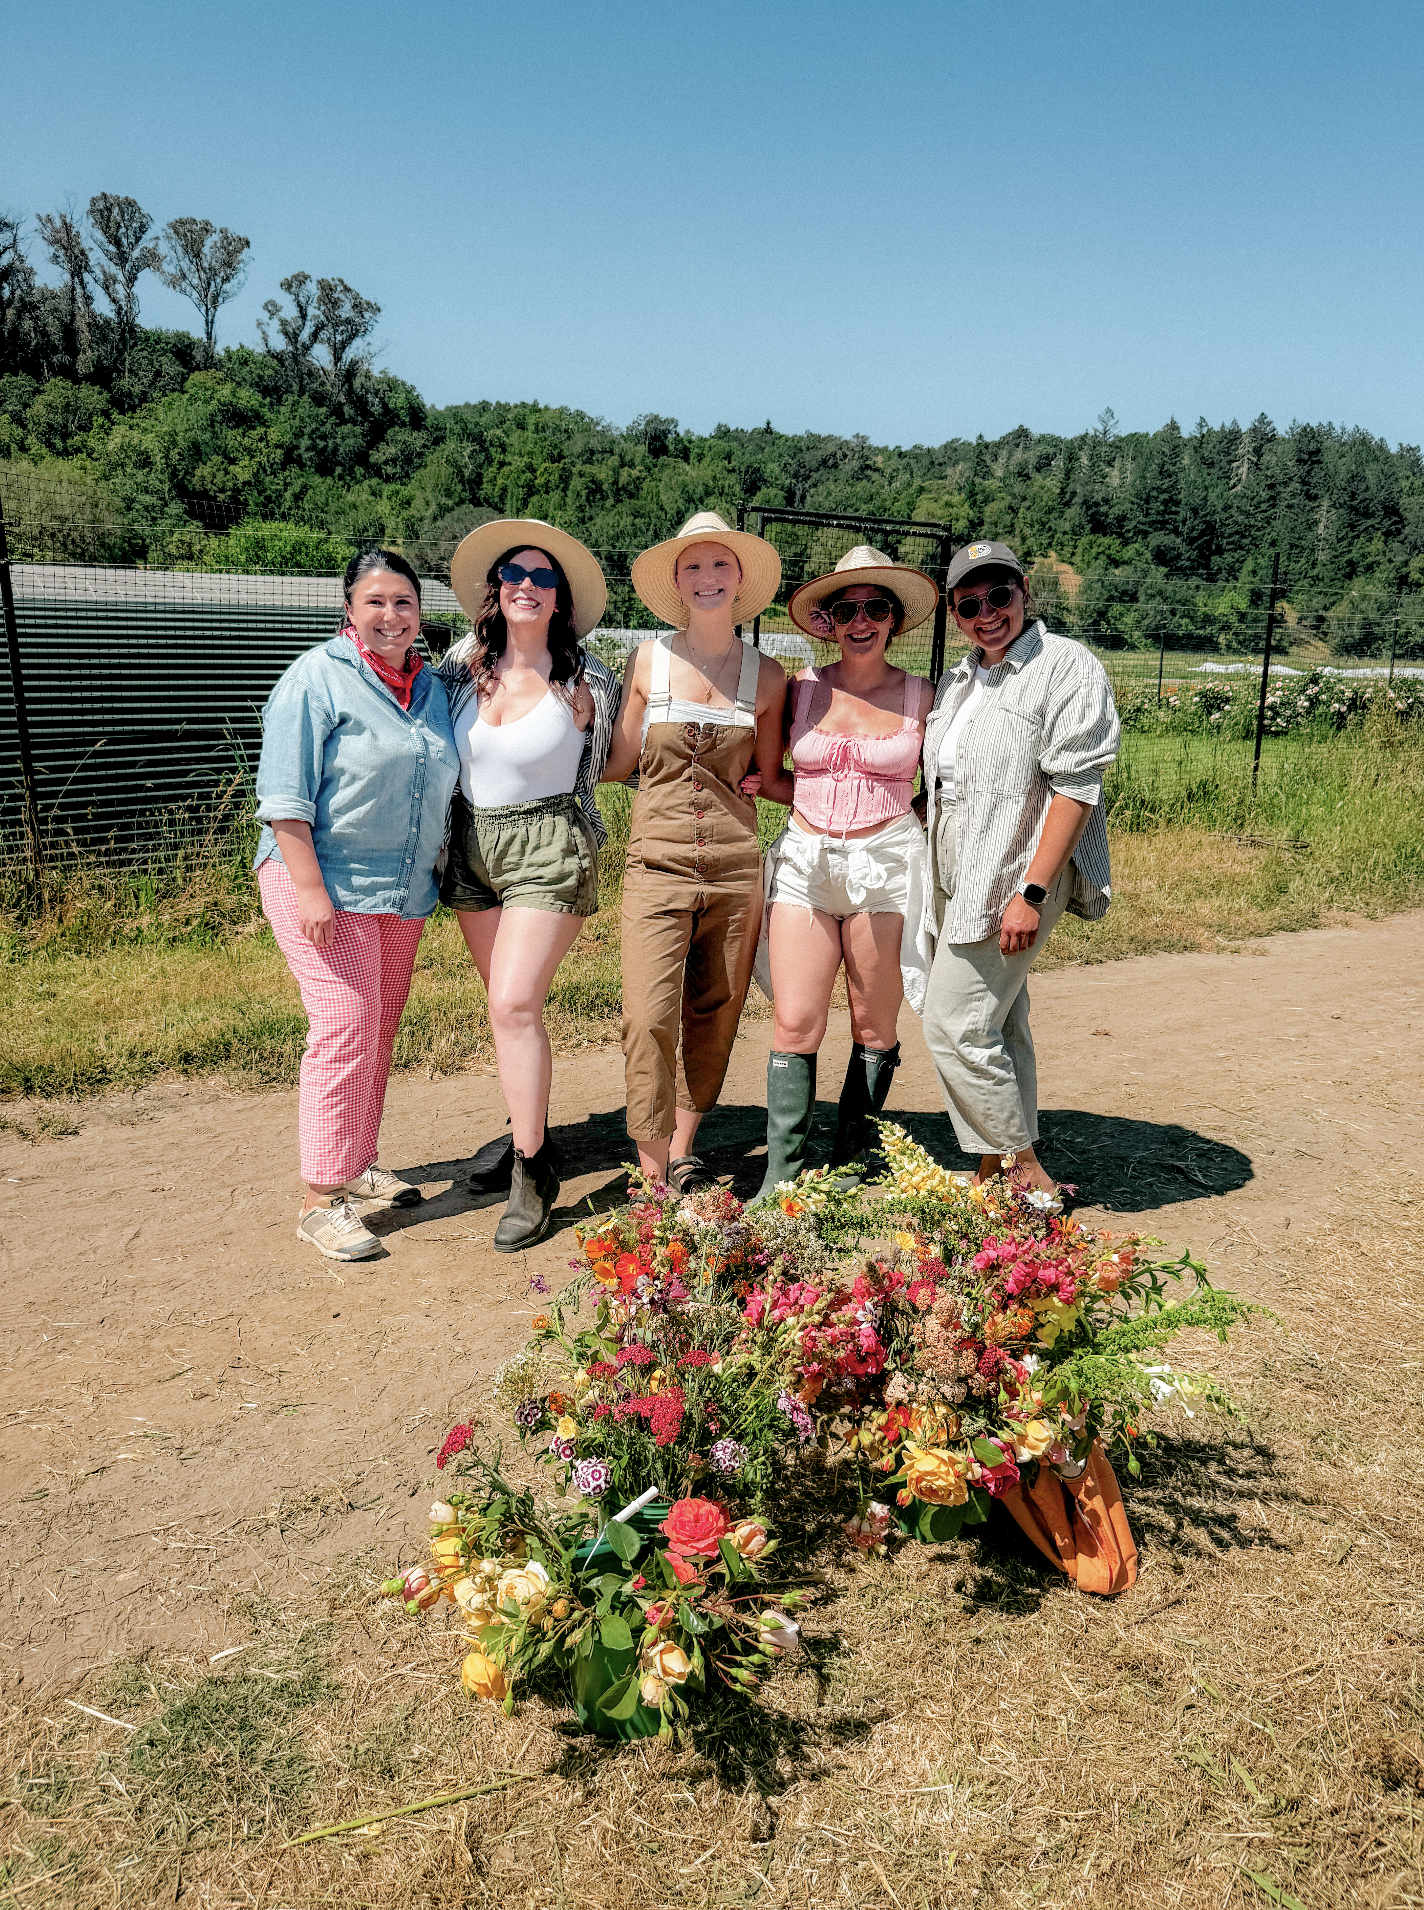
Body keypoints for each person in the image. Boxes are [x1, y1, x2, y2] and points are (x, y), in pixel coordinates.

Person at [254, 549, 460, 1261]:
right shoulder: (315, 678)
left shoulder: (430, 688)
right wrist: (310, 890)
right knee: (343, 1027)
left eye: (404, 602)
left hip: (401, 890)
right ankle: (321, 1200)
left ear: (420, 614)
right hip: (323, 883)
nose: (390, 615)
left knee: (377, 1027)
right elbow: (284, 797)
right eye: (375, 601)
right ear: (349, 609)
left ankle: (356, 1163)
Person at [439, 519, 620, 1251]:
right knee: (506, 1010)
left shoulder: (589, 679)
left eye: (544, 577)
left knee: (514, 1002)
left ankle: (532, 1170)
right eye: (514, 574)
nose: (527, 586)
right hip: (471, 844)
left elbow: (611, 764)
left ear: (561, 599)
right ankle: (528, 1132)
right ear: (495, 590)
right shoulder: (460, 665)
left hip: (549, 843)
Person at [920, 539, 1120, 1192]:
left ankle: (1024, 1172)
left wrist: (1031, 893)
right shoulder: (962, 678)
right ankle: (994, 1169)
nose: (987, 614)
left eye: (999, 596)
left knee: (954, 1023)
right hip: (958, 858)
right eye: (968, 604)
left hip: (1015, 869)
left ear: (1024, 592)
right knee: (999, 1021)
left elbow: (1076, 789)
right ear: (954, 611)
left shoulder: (1066, 667)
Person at [601, 510, 786, 1191]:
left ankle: (681, 1149)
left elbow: (769, 775)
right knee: (648, 1017)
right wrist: (577, 723)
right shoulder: (648, 661)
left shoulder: (769, 677)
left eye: (720, 565)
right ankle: (651, 1179)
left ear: (739, 579)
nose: (707, 577)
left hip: (736, 867)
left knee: (715, 1011)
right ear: (677, 582)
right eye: (693, 566)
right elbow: (618, 762)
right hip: (657, 864)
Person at [751, 546, 938, 1197]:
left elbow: (945, 782)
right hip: (807, 861)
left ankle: (853, 1158)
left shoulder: (921, 695)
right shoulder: (800, 689)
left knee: (872, 1023)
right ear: (827, 621)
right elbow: (776, 777)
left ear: (894, 620)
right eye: (847, 609)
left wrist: (906, 819)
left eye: (875, 609)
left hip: (885, 866)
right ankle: (782, 1177)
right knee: (795, 1021)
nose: (861, 621)